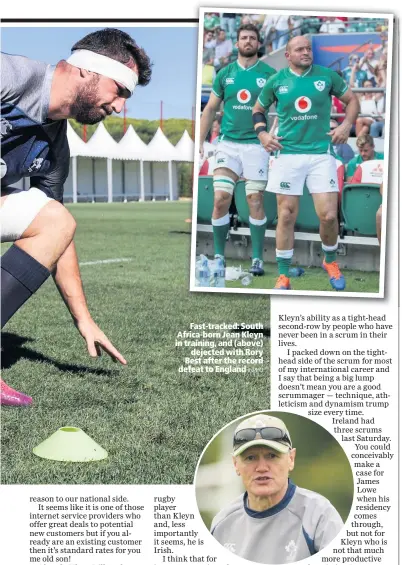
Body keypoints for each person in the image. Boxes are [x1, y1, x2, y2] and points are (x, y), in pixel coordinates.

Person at [0, 28, 152, 406]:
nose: (119, 107)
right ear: (88, 70)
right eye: (119, 90)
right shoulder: (10, 77)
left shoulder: (54, 147)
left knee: (57, 220)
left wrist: (83, 318)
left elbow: (59, 236)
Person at [252, 36, 359, 290]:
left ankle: (330, 262)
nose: (306, 52)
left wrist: (346, 125)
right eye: (299, 49)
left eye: (308, 48)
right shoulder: (276, 81)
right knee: (286, 216)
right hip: (287, 155)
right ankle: (283, 275)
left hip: (321, 155)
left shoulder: (326, 76)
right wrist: (263, 134)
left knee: (329, 216)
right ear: (287, 55)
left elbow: (352, 101)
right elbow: (258, 109)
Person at [211, 414, 344, 563]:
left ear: (291, 459)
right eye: (250, 458)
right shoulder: (222, 524)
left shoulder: (319, 516)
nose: (261, 468)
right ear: (235, 464)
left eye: (272, 456)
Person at [199, 24, 276, 276]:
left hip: (256, 145)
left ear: (258, 43)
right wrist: (198, 141)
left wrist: (273, 134)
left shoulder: (270, 74)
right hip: (228, 143)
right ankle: (219, 256)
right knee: (220, 198)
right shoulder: (225, 74)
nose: (248, 41)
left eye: (252, 38)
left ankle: (257, 259)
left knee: (254, 200)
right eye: (243, 37)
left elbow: (285, 108)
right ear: (237, 43)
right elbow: (210, 109)